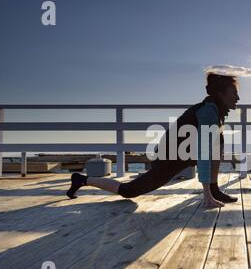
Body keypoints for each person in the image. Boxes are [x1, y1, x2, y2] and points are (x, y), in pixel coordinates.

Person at [66, 73, 240, 207]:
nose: (237, 98)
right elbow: (204, 153)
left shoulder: (214, 110)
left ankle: (215, 189)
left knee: (218, 139)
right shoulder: (208, 111)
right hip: (168, 159)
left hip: (184, 154)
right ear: (221, 94)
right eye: (234, 93)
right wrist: (207, 196)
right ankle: (82, 180)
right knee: (129, 191)